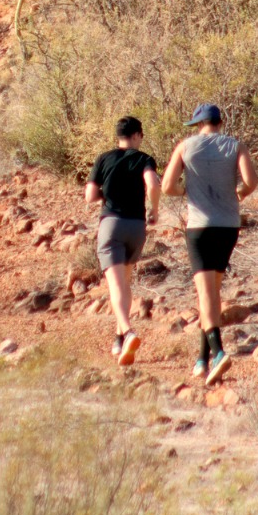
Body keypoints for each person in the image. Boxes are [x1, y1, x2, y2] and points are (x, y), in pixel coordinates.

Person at [161, 103, 258, 387]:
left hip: (200, 227)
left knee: (205, 294)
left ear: (198, 125)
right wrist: (238, 193)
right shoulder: (235, 145)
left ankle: (218, 354)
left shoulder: (186, 146)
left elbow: (167, 186)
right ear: (219, 122)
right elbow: (251, 182)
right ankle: (201, 360)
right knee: (213, 292)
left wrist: (185, 190)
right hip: (228, 227)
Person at [85, 116, 161, 367]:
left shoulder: (103, 158)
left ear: (118, 136)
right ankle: (119, 340)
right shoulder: (144, 159)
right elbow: (152, 183)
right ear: (137, 135)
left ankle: (128, 332)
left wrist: (107, 192)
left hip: (111, 225)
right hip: (136, 227)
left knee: (116, 287)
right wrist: (154, 210)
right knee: (125, 284)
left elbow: (90, 196)